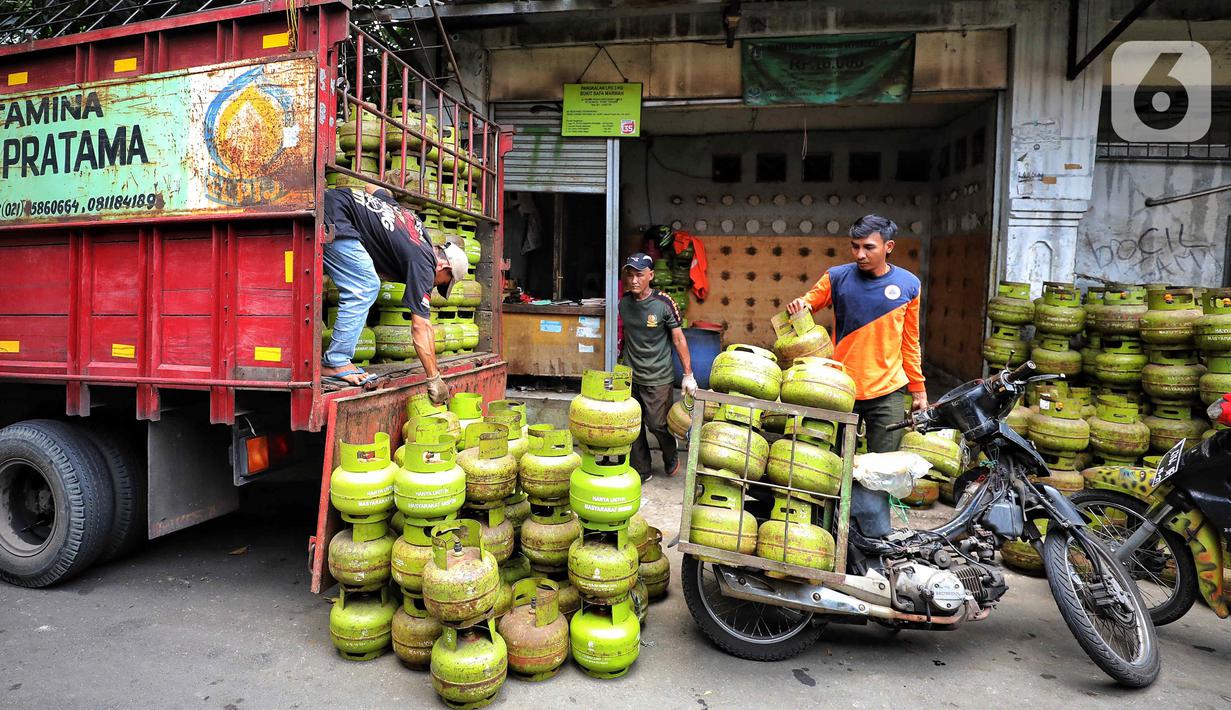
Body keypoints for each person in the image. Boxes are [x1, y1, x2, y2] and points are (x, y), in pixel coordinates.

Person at [786, 214, 926, 540]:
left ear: (888, 247)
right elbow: (808, 304)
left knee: (883, 471)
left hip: (888, 391)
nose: (859, 254)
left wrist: (918, 389)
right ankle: (824, 535)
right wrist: (800, 306)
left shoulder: (908, 285)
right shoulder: (837, 278)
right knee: (827, 465)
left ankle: (875, 538)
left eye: (868, 247)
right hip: (839, 390)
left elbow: (910, 341)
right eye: (854, 246)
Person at [322, 184, 468, 406]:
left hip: (333, 204)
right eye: (442, 284)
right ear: (444, 269)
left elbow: (375, 189)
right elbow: (420, 327)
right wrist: (434, 378)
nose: (433, 286)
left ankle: (337, 359)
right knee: (365, 285)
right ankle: (336, 361)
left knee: (365, 278)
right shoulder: (424, 265)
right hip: (335, 217)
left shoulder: (414, 225)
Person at [618, 253, 698, 481]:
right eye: (630, 275)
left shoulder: (664, 304)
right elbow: (626, 337)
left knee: (657, 423)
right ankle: (642, 469)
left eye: (639, 275)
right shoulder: (623, 304)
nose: (634, 280)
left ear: (651, 275)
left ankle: (670, 451)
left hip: (658, 376)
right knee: (633, 424)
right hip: (631, 375)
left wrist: (688, 375)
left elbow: (679, 339)